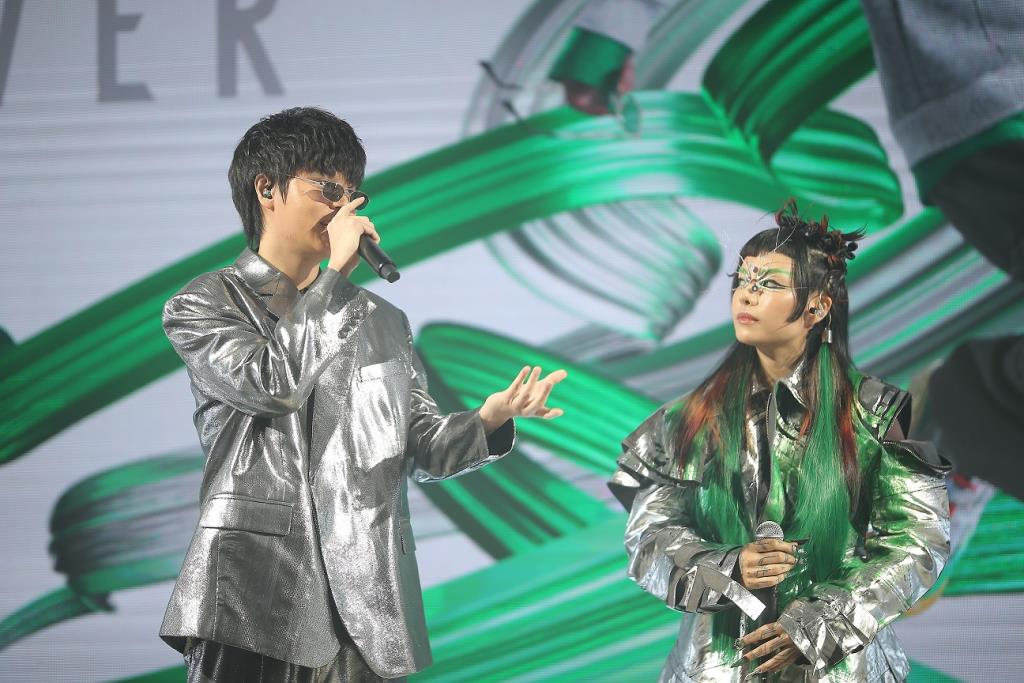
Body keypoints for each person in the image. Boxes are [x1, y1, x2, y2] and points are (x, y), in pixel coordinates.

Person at [158, 106, 567, 682]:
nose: (343, 206)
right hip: (255, 594)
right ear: (267, 189)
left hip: (368, 598)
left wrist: (488, 420)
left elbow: (421, 447)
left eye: (352, 192)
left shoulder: (383, 321)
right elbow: (271, 385)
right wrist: (335, 277)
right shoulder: (205, 303)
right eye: (327, 189)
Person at [608, 204, 950, 681]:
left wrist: (818, 627)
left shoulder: (870, 413)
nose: (746, 294)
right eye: (742, 280)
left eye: (768, 283)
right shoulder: (688, 420)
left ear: (817, 307)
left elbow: (918, 540)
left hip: (837, 669)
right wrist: (729, 568)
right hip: (716, 666)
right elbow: (650, 535)